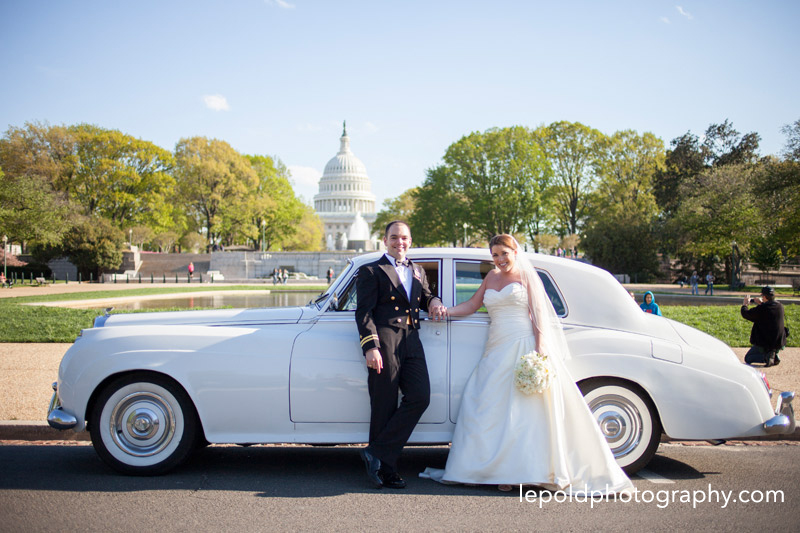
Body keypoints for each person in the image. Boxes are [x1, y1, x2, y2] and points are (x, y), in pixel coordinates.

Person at [420, 234, 633, 495]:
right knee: (486, 404)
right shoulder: (491, 277)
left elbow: (538, 311)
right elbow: (473, 305)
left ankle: (527, 470)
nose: (499, 259)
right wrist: (446, 311)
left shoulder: (525, 276)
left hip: (523, 344)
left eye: (504, 254)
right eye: (495, 255)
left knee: (525, 411)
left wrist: (540, 345)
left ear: (515, 252)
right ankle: (497, 469)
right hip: (496, 348)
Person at [355, 221, 447, 489]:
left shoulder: (417, 270)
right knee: (384, 405)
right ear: (385, 240)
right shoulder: (371, 271)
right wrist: (370, 346)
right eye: (394, 238)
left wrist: (435, 301)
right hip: (384, 341)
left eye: (404, 238)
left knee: (420, 397)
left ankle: (376, 452)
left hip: (411, 340)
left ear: (410, 240)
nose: (400, 242)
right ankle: (387, 470)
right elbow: (364, 312)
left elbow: (425, 296)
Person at [741, 286, 787, 367]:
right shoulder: (780, 306)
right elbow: (768, 312)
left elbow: (746, 314)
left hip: (765, 342)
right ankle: (773, 355)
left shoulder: (763, 308)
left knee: (748, 358)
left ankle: (766, 357)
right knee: (770, 346)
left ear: (764, 297)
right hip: (778, 341)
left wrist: (745, 304)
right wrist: (761, 303)